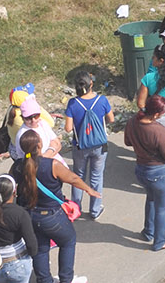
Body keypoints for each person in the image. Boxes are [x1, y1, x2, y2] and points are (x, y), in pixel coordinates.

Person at [121, 100, 165, 252]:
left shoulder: (133, 121)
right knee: (161, 208)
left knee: (151, 199)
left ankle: (148, 232)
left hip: (142, 170)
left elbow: (127, 141)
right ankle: (160, 242)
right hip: (160, 173)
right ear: (155, 114)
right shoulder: (157, 130)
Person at [62, 74, 109, 220]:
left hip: (80, 145)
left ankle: (76, 209)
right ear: (91, 85)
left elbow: (68, 128)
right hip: (99, 145)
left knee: (78, 177)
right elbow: (111, 119)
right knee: (96, 177)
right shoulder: (102, 100)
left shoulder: (72, 103)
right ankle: (95, 210)